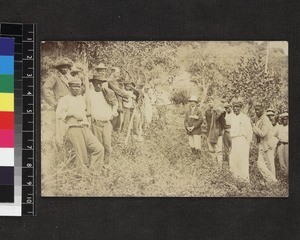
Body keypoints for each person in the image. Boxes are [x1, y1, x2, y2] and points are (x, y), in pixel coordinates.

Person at [56, 78, 104, 173]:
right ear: (69, 87)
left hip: (85, 128)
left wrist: (89, 115)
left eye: (78, 86)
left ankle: (94, 173)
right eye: (74, 86)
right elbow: (59, 114)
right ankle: (81, 178)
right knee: (81, 155)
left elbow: (84, 112)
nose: (77, 88)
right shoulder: (64, 99)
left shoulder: (82, 99)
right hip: (74, 128)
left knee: (99, 148)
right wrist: (72, 114)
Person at [89, 74, 118, 164]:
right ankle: (98, 164)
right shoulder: (89, 94)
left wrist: (113, 114)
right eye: (96, 83)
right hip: (96, 123)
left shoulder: (108, 93)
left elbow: (115, 104)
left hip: (106, 123)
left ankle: (106, 164)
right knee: (98, 146)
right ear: (93, 84)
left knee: (107, 146)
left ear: (102, 84)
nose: (98, 85)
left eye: (100, 83)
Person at [252, 102, 277, 183]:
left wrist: (254, 127)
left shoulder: (265, 119)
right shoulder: (257, 118)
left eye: (258, 110)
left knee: (270, 163)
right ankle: (269, 180)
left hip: (268, 144)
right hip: (262, 144)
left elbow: (262, 133)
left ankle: (273, 182)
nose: (256, 111)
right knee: (260, 164)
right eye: (255, 110)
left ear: (262, 110)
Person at [229, 97, 253, 182]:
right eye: (234, 107)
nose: (236, 108)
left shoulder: (245, 118)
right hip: (235, 140)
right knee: (234, 159)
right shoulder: (233, 117)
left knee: (243, 160)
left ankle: (244, 180)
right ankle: (236, 178)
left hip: (243, 141)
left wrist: (248, 144)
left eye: (238, 107)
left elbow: (249, 132)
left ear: (241, 107)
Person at [207, 98, 226, 167]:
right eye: (208, 102)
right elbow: (208, 123)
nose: (209, 103)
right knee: (212, 150)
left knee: (219, 150)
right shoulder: (207, 112)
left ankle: (220, 166)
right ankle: (214, 165)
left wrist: (220, 130)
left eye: (211, 102)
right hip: (210, 133)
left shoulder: (218, 111)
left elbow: (223, 122)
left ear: (213, 102)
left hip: (218, 133)